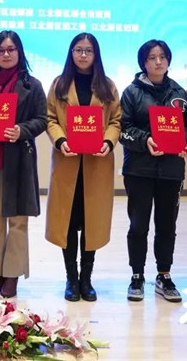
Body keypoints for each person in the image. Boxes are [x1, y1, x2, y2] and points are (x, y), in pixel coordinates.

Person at [45, 33, 121, 302]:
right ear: (71, 53)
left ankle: (86, 278)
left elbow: (116, 121)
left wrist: (108, 142)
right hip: (68, 161)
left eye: (88, 50)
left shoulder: (107, 86)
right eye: (78, 50)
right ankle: (71, 278)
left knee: (92, 222)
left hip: (96, 164)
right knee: (67, 221)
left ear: (96, 54)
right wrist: (61, 140)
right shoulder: (60, 84)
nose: (83, 55)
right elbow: (50, 119)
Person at [119, 39, 187, 303]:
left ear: (169, 60)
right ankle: (137, 275)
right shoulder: (131, 92)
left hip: (171, 170)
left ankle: (164, 274)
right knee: (138, 225)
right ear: (144, 62)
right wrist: (146, 141)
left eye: (162, 56)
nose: (158, 61)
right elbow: (123, 128)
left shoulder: (179, 93)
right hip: (139, 169)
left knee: (167, 225)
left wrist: (186, 141)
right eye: (152, 57)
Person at [0, 30, 46, 298]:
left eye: (11, 49)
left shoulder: (32, 85)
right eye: (1, 50)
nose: (6, 54)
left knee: (17, 221)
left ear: (19, 52)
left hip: (19, 159)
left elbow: (42, 119)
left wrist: (21, 130)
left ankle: (12, 274)